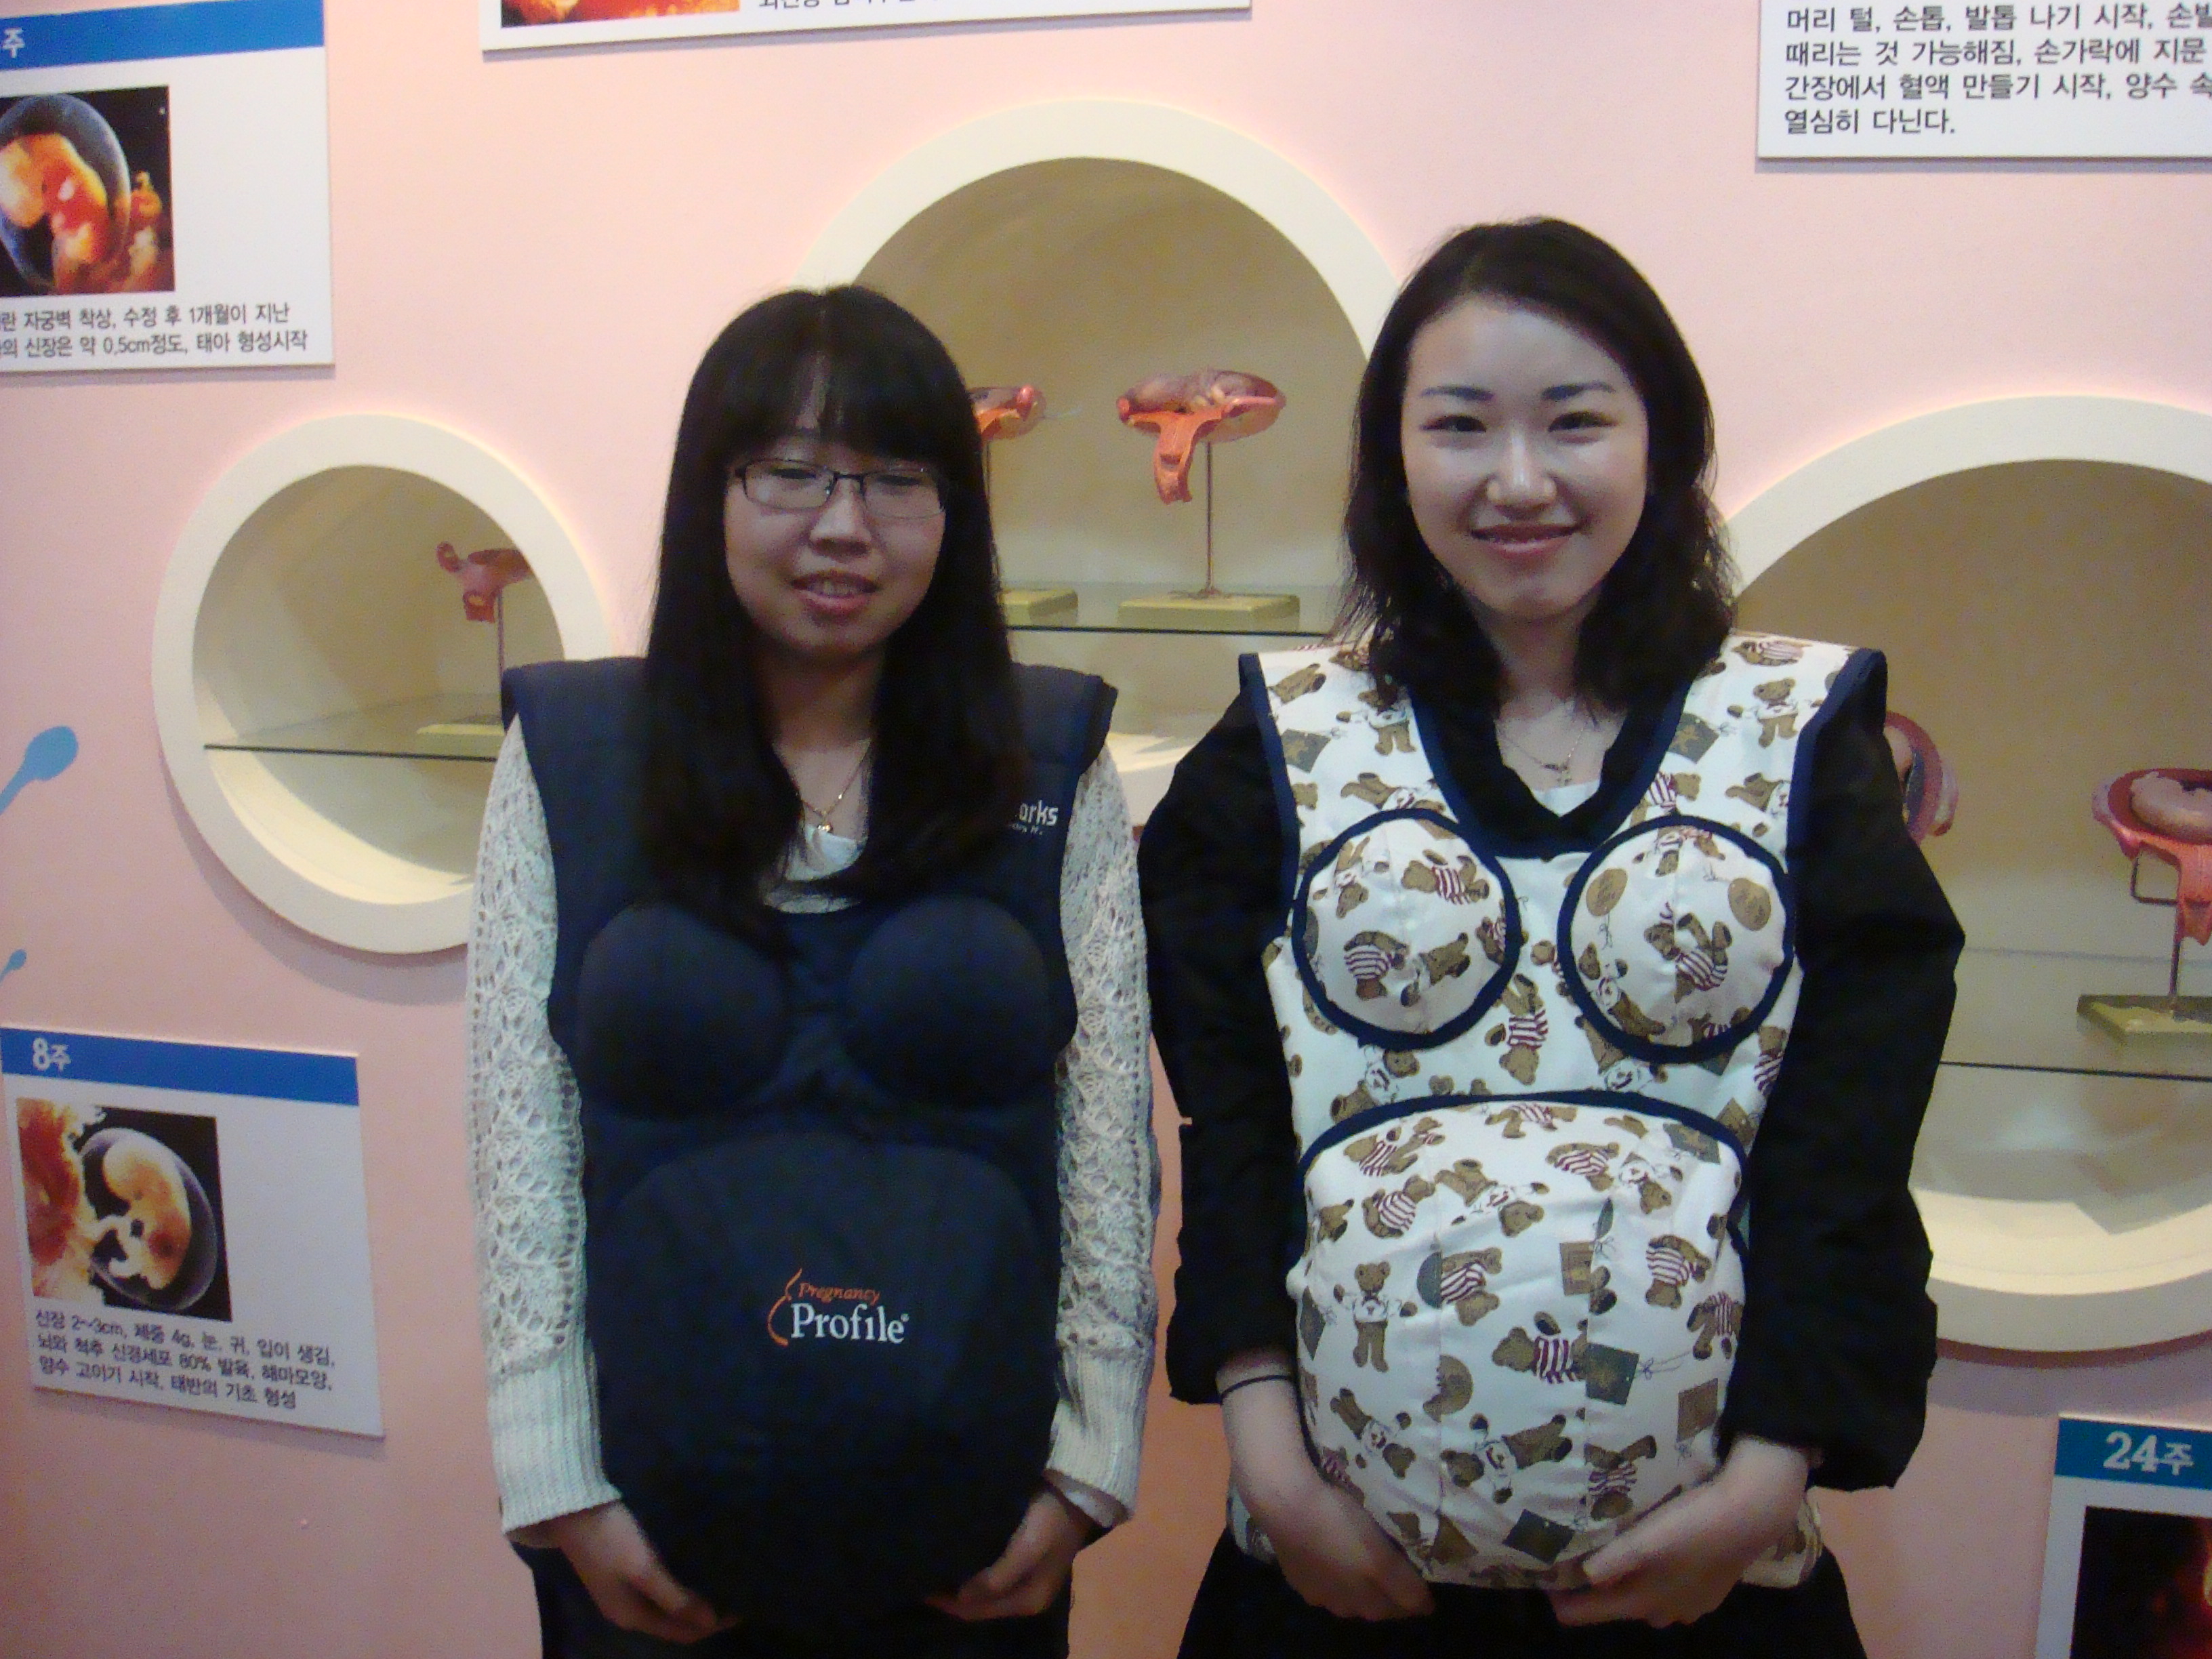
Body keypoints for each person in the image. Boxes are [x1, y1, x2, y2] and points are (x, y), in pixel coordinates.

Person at [1140, 219, 1963, 1656]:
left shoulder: (1798, 736)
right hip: (1334, 1580)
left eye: (1575, 421)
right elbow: (1237, 1133)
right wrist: (1270, 1464)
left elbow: (1846, 1158)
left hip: (1715, 1587)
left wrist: (1764, 1485)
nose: (1518, 481)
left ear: (1665, 442)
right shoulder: (1284, 743)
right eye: (1460, 426)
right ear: (1393, 455)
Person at [464, 286, 1158, 1658]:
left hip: (973, 1537)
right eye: (791, 473)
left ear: (955, 514)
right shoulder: (573, 753)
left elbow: (1105, 1138)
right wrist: (557, 1486)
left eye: (897, 479)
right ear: (708, 495)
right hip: (646, 1535)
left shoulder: (1048, 760)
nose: (846, 525)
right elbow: (518, 1126)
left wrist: (1090, 1468)